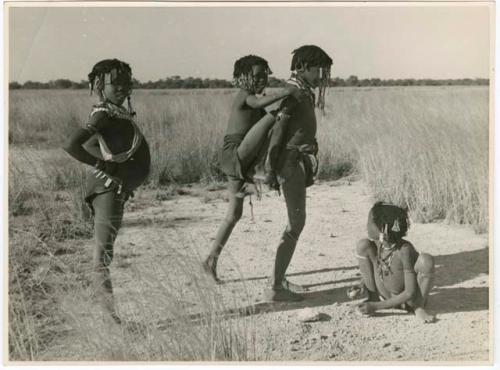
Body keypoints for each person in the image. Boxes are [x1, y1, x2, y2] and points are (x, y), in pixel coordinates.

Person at [63, 59, 150, 323]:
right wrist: (105, 167)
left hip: (114, 189)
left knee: (105, 254)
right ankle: (111, 323)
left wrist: (122, 174)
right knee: (101, 257)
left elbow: (91, 144)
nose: (124, 88)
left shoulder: (114, 112)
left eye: (127, 82)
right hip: (107, 190)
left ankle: (105, 313)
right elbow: (72, 145)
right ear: (100, 86)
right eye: (117, 83)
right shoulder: (103, 113)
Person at [203, 55, 304, 283]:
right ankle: (257, 178)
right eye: (256, 76)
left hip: (244, 160)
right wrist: (288, 92)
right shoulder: (244, 96)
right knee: (274, 117)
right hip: (235, 155)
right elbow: (260, 104)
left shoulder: (256, 97)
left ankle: (211, 259)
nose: (261, 80)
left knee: (234, 213)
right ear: (241, 79)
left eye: (264, 75)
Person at [266, 45, 333, 302]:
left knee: (295, 222)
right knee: (296, 222)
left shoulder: (301, 91)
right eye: (318, 70)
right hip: (289, 164)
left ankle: (278, 278)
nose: (322, 76)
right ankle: (275, 287)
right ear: (303, 67)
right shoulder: (293, 92)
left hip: (294, 162)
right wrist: (272, 169)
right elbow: (278, 133)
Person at [352, 202, 436, 323]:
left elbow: (409, 292)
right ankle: (373, 297)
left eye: (370, 222)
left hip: (407, 301)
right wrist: (363, 283)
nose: (367, 226)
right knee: (363, 245)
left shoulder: (404, 250)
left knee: (426, 260)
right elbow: (378, 267)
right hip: (385, 294)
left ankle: (418, 307)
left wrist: (376, 307)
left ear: (383, 229)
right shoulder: (380, 244)